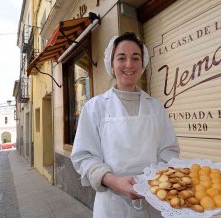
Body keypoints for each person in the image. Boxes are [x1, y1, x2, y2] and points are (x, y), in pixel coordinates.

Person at [71, 32, 180, 218]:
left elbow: (168, 151)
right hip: (112, 205)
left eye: (135, 58)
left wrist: (156, 182)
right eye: (121, 58)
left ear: (142, 64)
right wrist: (113, 181)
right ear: (111, 64)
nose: (129, 64)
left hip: (154, 202)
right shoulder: (95, 107)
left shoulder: (156, 107)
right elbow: (84, 156)